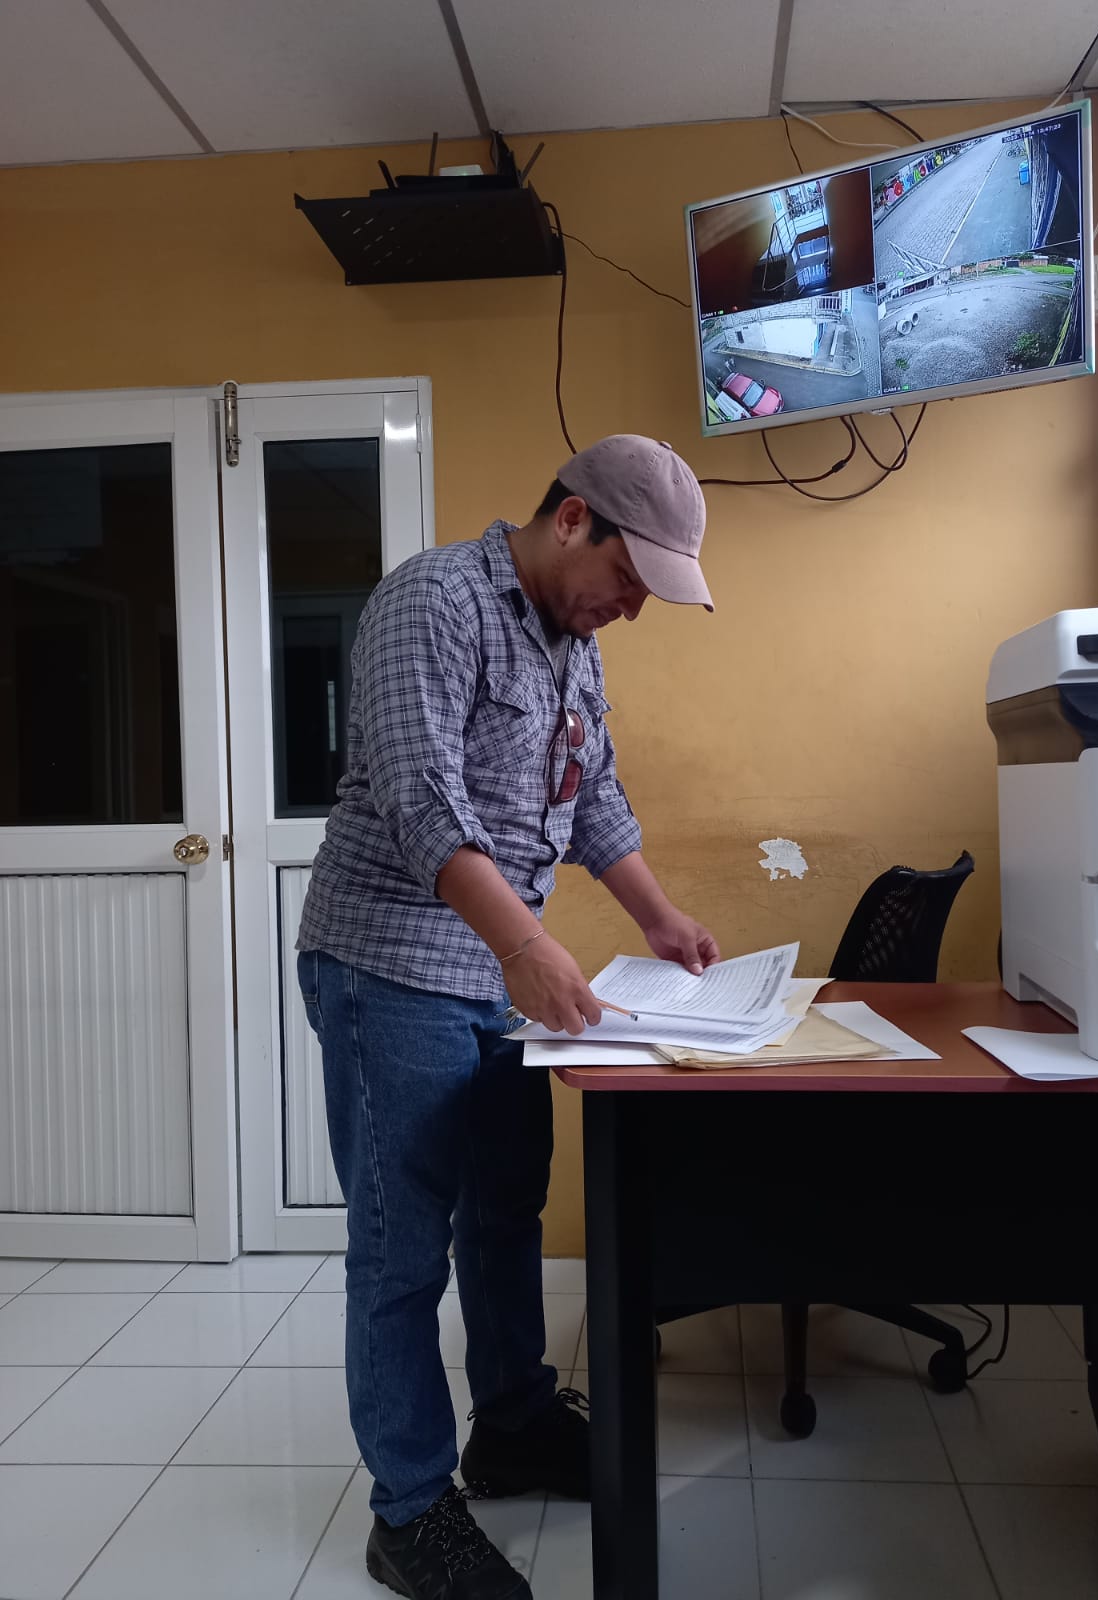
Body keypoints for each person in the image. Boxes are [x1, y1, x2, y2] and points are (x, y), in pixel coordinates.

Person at [296, 434, 720, 1599]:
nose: (629, 609)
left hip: (491, 972)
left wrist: (660, 918)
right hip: (389, 963)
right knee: (401, 1247)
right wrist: (527, 944)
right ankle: (409, 1508)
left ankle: (515, 1425)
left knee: (505, 1212)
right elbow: (420, 795)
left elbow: (596, 795)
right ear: (573, 518)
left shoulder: (571, 640)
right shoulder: (433, 601)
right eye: (628, 580)